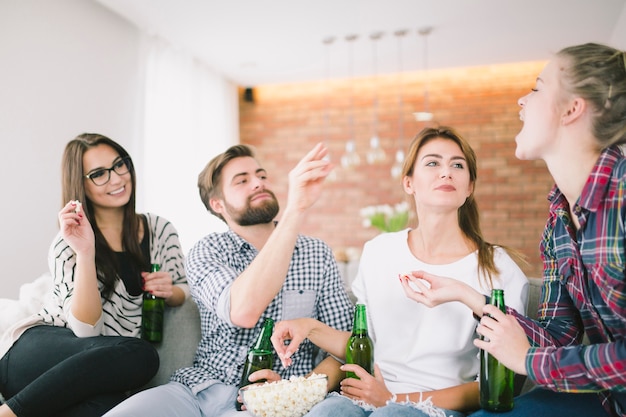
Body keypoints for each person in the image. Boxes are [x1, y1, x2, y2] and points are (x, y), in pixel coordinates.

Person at [400, 43, 626, 417]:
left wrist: (529, 362)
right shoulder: (559, 222)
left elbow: (537, 359)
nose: (522, 100)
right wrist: (470, 297)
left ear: (572, 108)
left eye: (537, 88)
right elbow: (556, 337)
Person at [271, 127, 529, 417]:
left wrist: (395, 399)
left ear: (469, 187)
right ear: (409, 183)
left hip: (436, 408)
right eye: (432, 163)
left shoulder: (498, 268)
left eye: (458, 165)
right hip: (365, 395)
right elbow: (364, 344)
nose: (446, 173)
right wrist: (310, 327)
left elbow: (493, 385)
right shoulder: (379, 251)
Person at [103, 142, 354, 417]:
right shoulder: (207, 251)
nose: (257, 183)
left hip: (273, 401)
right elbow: (243, 311)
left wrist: (293, 394)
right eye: (242, 181)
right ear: (217, 204)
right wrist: (296, 209)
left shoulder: (315, 253)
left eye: (261, 176)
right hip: (200, 392)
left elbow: (346, 347)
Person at [0, 133, 188, 417]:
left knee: (113, 409)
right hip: (40, 353)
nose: (116, 179)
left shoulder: (160, 230)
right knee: (142, 355)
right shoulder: (67, 243)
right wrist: (86, 253)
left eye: (119, 165)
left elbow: (182, 288)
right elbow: (86, 331)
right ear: (81, 185)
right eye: (99, 173)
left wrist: (170, 291)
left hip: (94, 372)